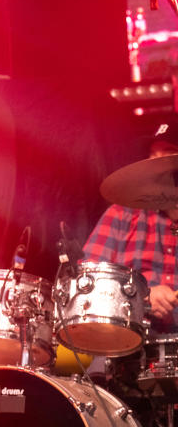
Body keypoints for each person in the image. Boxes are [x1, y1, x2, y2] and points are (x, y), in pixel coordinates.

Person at [83, 120, 178, 330]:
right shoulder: (122, 214)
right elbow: (88, 284)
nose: (155, 163)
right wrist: (142, 297)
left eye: (168, 153)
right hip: (129, 340)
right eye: (152, 156)